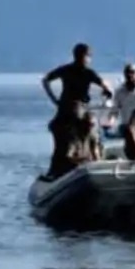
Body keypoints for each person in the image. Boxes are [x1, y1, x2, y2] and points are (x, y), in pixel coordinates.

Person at [41, 43, 113, 178]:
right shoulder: (88, 72)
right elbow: (105, 86)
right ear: (85, 57)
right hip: (76, 109)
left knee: (62, 142)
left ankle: (56, 170)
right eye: (88, 56)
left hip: (64, 108)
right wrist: (108, 92)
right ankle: (91, 161)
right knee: (89, 134)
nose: (88, 59)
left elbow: (45, 80)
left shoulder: (66, 69)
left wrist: (54, 99)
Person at [108, 62, 135, 135]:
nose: (130, 75)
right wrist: (110, 122)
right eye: (127, 73)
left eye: (132, 72)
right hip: (127, 126)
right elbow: (114, 111)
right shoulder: (119, 91)